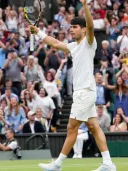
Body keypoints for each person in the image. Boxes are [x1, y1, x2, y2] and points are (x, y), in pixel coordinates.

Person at [31, 0, 116, 170]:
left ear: (83, 29)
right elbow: (54, 43)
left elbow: (91, 27)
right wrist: (38, 32)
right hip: (84, 92)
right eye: (70, 27)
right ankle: (108, 163)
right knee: (93, 126)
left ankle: (58, 164)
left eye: (75, 27)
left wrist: (85, 6)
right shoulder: (72, 46)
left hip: (84, 92)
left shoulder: (89, 43)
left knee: (71, 128)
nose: (71, 29)